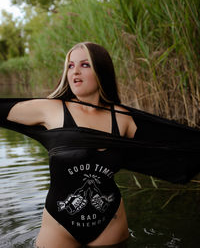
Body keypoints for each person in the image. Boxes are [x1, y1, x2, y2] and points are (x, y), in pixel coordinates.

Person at [0, 42, 200, 248]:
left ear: (101, 71)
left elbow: (169, 145)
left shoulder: (123, 119)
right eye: (70, 66)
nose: (75, 71)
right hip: (60, 226)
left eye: (85, 65)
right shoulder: (50, 109)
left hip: (110, 224)